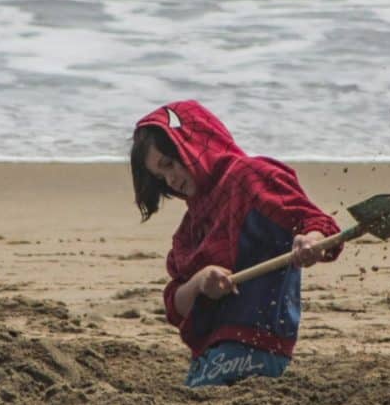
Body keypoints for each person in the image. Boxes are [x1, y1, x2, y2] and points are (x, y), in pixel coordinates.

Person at [130, 100, 341, 387]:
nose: (170, 180)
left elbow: (315, 223)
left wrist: (310, 242)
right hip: (208, 356)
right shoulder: (190, 226)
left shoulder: (250, 178)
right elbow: (174, 305)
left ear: (193, 142)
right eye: (160, 176)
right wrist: (200, 282)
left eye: (169, 165)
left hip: (254, 348)